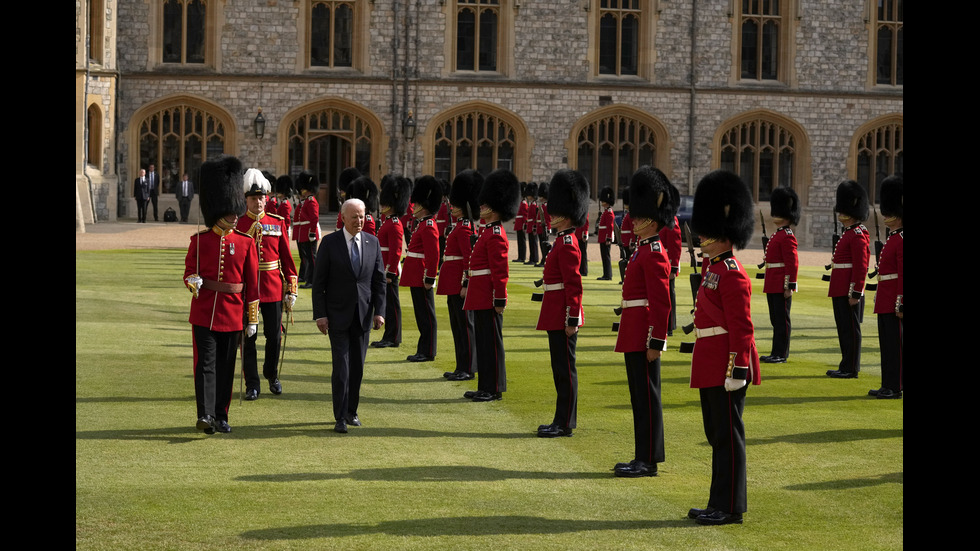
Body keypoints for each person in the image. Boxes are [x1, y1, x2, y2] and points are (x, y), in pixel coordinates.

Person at [686, 169, 760, 526]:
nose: (702, 237)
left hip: (726, 365)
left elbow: (741, 328)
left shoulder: (731, 272)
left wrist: (738, 369)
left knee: (728, 438)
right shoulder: (712, 267)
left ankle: (731, 507)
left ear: (725, 233)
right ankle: (718, 500)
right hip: (710, 359)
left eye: (710, 231)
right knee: (716, 436)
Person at [182, 155, 259, 435]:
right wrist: (194, 282)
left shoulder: (245, 242)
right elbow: (189, 272)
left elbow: (252, 285)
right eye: (230, 210)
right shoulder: (199, 241)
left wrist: (252, 319)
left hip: (233, 313)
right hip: (204, 311)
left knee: (226, 368)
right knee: (205, 366)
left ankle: (221, 414)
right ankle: (204, 414)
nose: (235, 215)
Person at [612, 166, 677, 476]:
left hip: (644, 335)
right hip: (633, 330)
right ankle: (641, 456)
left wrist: (656, 340)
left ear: (651, 220)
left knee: (647, 398)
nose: (632, 221)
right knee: (639, 399)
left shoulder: (654, 252)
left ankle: (648, 460)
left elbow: (662, 302)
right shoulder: (642, 250)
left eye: (637, 217)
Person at [312, 198, 386, 434]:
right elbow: (319, 283)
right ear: (343, 218)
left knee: (357, 368)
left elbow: (379, 281)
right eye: (354, 216)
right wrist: (321, 315)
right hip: (337, 316)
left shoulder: (372, 242)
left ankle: (352, 411)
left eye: (362, 216)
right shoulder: (330, 243)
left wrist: (380, 312)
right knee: (341, 367)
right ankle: (340, 416)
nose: (359, 221)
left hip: (363, 316)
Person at [235, 169, 298, 401]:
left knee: (274, 336)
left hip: (272, 287)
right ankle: (252, 384)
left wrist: (291, 287)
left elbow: (287, 260)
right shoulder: (239, 224)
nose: (259, 202)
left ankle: (271, 374)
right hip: (247, 289)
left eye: (262, 198)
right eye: (253, 199)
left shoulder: (276, 222)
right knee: (248, 337)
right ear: (246, 200)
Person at [535, 169, 587, 437]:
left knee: (565, 371)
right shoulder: (561, 241)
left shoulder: (568, 243)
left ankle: (565, 422)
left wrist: (571, 318)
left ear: (567, 215)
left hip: (562, 315)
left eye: (555, 213)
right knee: (559, 371)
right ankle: (560, 418)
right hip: (555, 312)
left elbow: (573, 285)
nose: (551, 216)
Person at [461, 169, 521, 402]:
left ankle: (494, 387)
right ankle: (485, 385)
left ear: (494, 208)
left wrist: (499, 299)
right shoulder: (486, 231)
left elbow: (500, 272)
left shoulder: (496, 233)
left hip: (488, 295)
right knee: (483, 343)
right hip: (480, 293)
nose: (481, 208)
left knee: (491, 344)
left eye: (485, 206)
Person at [440, 170, 482, 381]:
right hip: (452, 284)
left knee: (465, 327)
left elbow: (469, 259)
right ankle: (460, 365)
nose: (452, 207)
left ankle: (468, 367)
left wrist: (466, 283)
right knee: (457, 326)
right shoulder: (458, 226)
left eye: (456, 205)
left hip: (460, 285)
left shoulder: (465, 228)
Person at [827, 180, 870, 379]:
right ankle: (845, 364)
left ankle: (851, 367)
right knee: (843, 329)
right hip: (839, 287)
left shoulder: (858, 234)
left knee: (851, 330)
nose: (840, 213)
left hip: (847, 289)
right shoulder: (848, 233)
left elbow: (861, 266)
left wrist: (855, 292)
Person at [401, 175, 442, 362]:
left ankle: (428, 350)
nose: (413, 207)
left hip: (422, 276)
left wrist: (429, 278)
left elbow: (433, 256)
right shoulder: (422, 225)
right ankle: (423, 349)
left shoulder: (429, 226)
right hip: (415, 274)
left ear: (423, 206)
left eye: (416, 204)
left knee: (426, 315)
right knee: (421, 314)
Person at [870, 175, 903, 399]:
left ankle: (895, 385)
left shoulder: (901, 239)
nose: (886, 215)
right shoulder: (893, 238)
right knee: (887, 346)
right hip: (885, 298)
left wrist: (901, 301)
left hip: (894, 300)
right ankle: (887, 383)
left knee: (895, 347)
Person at [760, 187, 801, 364]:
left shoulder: (787, 236)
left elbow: (792, 264)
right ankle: (775, 351)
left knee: (782, 321)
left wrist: (790, 285)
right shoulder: (778, 235)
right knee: (775, 320)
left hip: (780, 283)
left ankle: (781, 353)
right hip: (772, 281)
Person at [371, 175, 410, 349]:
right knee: (388, 304)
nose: (383, 205)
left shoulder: (394, 224)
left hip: (389, 270)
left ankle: (393, 337)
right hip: (383, 268)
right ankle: (390, 335)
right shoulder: (388, 221)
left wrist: (390, 272)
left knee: (392, 305)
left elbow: (396, 251)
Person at [294, 172, 321, 289]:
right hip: (305, 233)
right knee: (309, 258)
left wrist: (312, 233)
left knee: (312, 257)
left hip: (309, 233)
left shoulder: (311, 201)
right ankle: (309, 279)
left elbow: (314, 218)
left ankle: (313, 280)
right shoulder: (307, 201)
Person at [596, 186, 616, 280]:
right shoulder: (605, 212)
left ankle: (608, 275)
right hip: (603, 237)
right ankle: (606, 274)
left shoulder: (609, 212)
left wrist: (608, 238)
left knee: (606, 256)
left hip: (605, 238)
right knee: (604, 256)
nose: (602, 202)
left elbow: (610, 227)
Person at [535, 182, 552, 267]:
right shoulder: (542, 206)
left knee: (545, 245)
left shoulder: (546, 206)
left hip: (544, 228)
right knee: (542, 245)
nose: (540, 198)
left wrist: (548, 228)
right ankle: (543, 259)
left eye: (541, 196)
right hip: (540, 227)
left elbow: (548, 219)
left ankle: (545, 260)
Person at [525, 182, 540, 266]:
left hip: (532, 226)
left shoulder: (534, 205)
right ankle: (532, 258)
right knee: (531, 242)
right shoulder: (532, 204)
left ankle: (534, 259)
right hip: (530, 225)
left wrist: (534, 227)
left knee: (534, 243)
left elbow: (535, 218)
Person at [513, 184, 528, 263]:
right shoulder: (522, 202)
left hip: (521, 225)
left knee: (522, 241)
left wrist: (524, 224)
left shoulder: (524, 203)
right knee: (520, 241)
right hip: (518, 224)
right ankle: (520, 256)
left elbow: (525, 216)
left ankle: (522, 257)